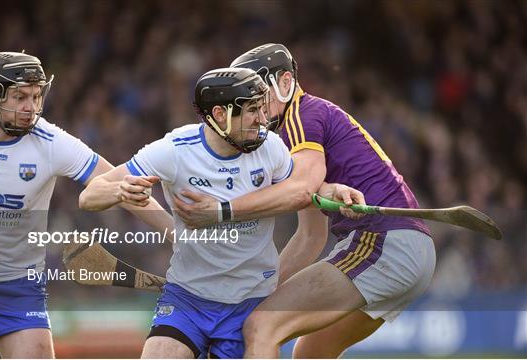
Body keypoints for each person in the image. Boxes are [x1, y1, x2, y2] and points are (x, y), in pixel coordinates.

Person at [173, 43, 436, 358]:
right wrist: (261, 288)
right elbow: (311, 236)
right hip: (408, 249)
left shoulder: (301, 114)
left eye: (257, 95)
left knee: (261, 326)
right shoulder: (291, 138)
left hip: (383, 241)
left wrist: (220, 212)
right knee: (312, 351)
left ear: (285, 83)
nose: (251, 109)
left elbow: (300, 190)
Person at [80, 67, 303, 358]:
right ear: (220, 114)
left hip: (251, 304)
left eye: (261, 109)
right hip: (188, 300)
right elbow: (90, 195)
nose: (262, 120)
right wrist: (120, 191)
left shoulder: (271, 148)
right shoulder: (175, 150)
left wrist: (331, 190)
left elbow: (300, 190)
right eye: (251, 111)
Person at [0, 51, 171, 358]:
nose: (30, 108)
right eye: (20, 97)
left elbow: (119, 186)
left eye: (36, 96)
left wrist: (179, 235)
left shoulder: (50, 142)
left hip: (18, 287)